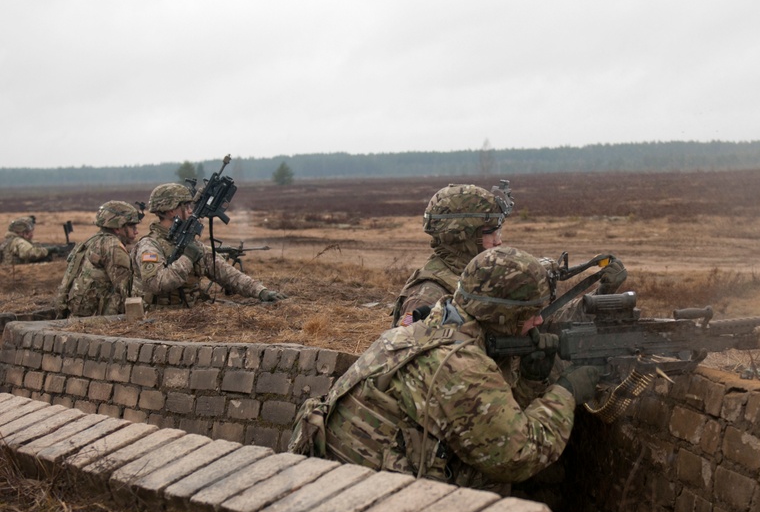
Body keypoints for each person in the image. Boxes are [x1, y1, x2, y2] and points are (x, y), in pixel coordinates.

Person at [289, 246, 603, 492]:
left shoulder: (424, 326)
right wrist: (566, 391)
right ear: (503, 315)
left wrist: (531, 380)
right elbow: (517, 456)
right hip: (369, 504)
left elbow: (482, 416)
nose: (539, 321)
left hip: (336, 481)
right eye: (533, 313)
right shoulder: (462, 367)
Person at [132, 182, 285, 307]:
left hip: (192, 312)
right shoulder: (149, 246)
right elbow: (156, 283)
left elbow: (226, 273)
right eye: (186, 207)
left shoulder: (190, 243)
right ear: (172, 211)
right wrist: (187, 258)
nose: (191, 211)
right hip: (159, 316)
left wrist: (261, 292)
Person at [391, 182, 513, 326]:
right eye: (490, 233)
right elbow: (404, 344)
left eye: (498, 231)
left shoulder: (473, 275)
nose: (498, 241)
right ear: (462, 236)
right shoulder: (428, 296)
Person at [53, 201, 141, 318]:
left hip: (75, 314)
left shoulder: (89, 241)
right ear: (117, 228)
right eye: (132, 226)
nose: (136, 231)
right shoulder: (112, 246)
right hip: (98, 318)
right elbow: (127, 290)